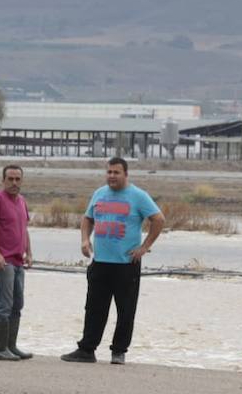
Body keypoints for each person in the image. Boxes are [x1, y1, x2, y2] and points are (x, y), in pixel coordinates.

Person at [60, 156, 164, 365]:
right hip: (100, 263)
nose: (112, 176)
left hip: (126, 265)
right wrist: (84, 240)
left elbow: (158, 219)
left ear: (125, 174)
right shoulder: (99, 194)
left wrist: (144, 247)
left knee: (125, 310)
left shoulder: (138, 196)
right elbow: (87, 218)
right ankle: (87, 349)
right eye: (109, 172)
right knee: (94, 308)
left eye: (116, 173)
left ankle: (119, 351)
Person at [0, 165, 33, 361]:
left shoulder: (21, 201)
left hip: (18, 260)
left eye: (17, 179)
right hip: (3, 261)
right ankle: (1, 348)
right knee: (4, 305)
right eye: (10, 179)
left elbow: (24, 228)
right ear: (3, 180)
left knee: (17, 304)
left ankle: (12, 345)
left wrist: (29, 252)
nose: (14, 183)